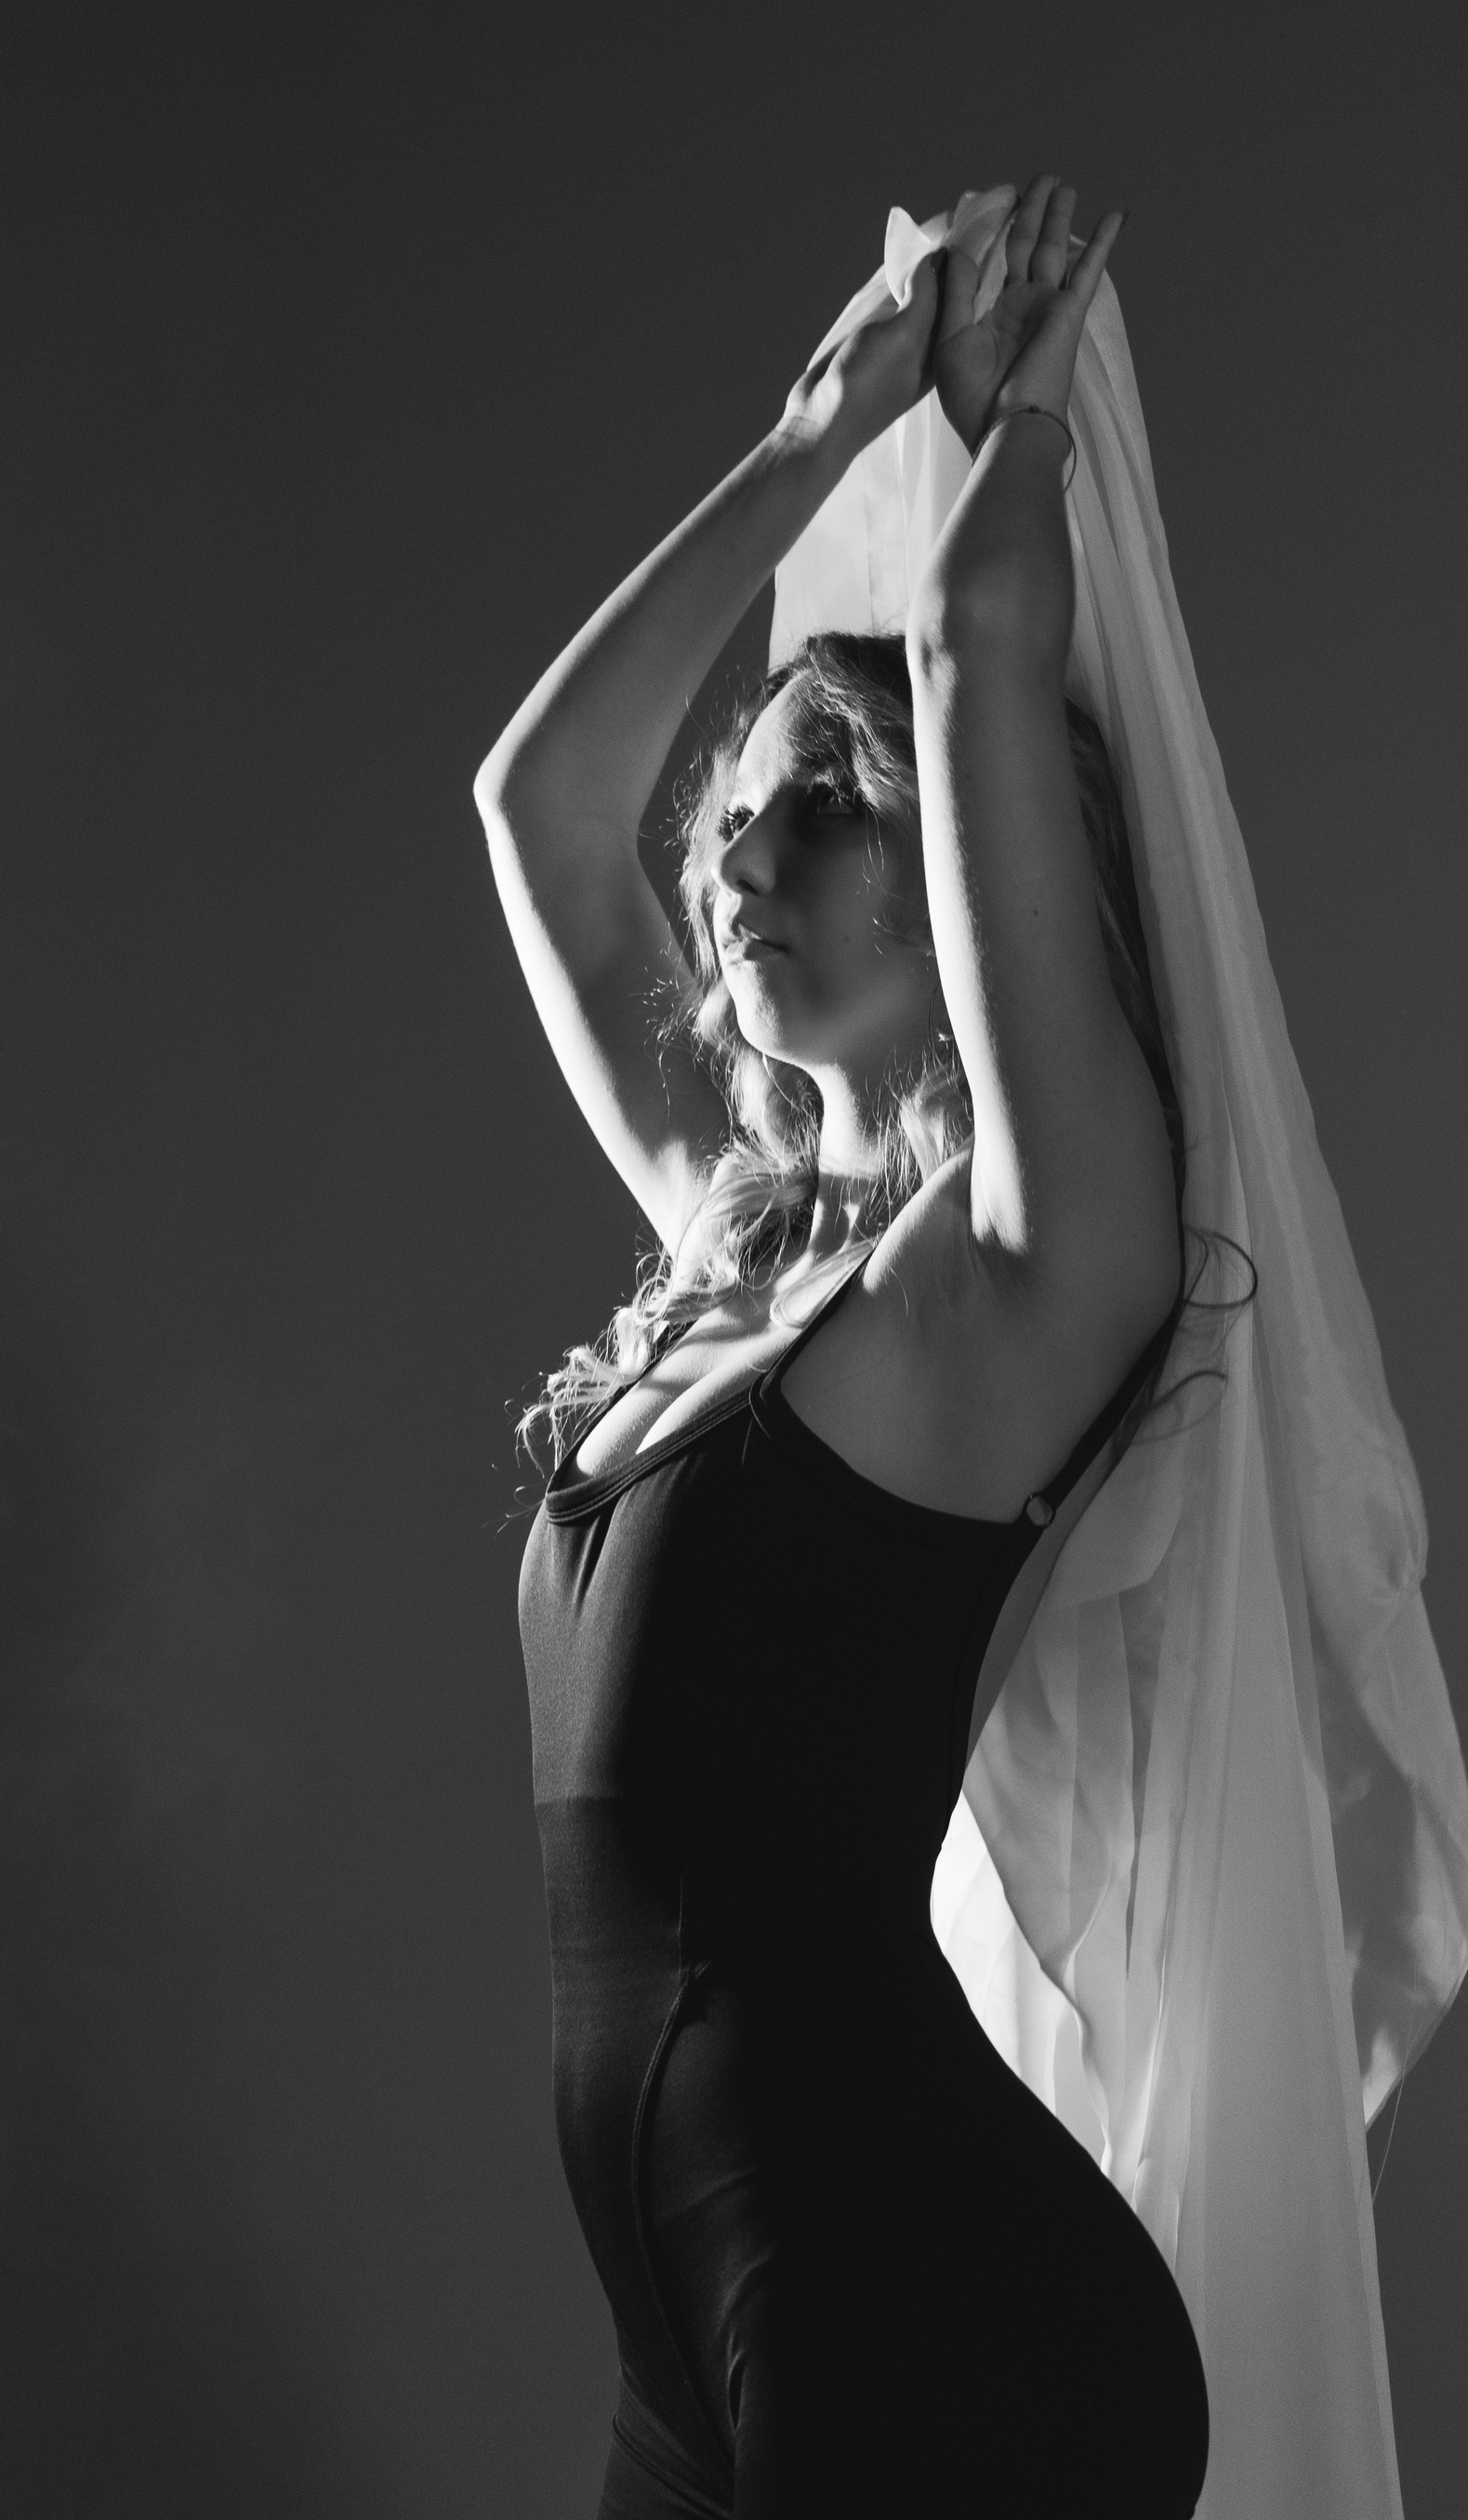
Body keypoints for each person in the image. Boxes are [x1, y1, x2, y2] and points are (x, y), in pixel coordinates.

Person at [475, 176, 1211, 2517]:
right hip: (703, 2333)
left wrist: (1008, 426)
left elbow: (984, 638)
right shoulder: (738, 1251)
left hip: (925, 2306)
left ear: (970, 877)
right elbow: (541, 810)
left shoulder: (1030, 1263)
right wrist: (808, 449)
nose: (737, 855)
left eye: (825, 804)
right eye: (744, 807)